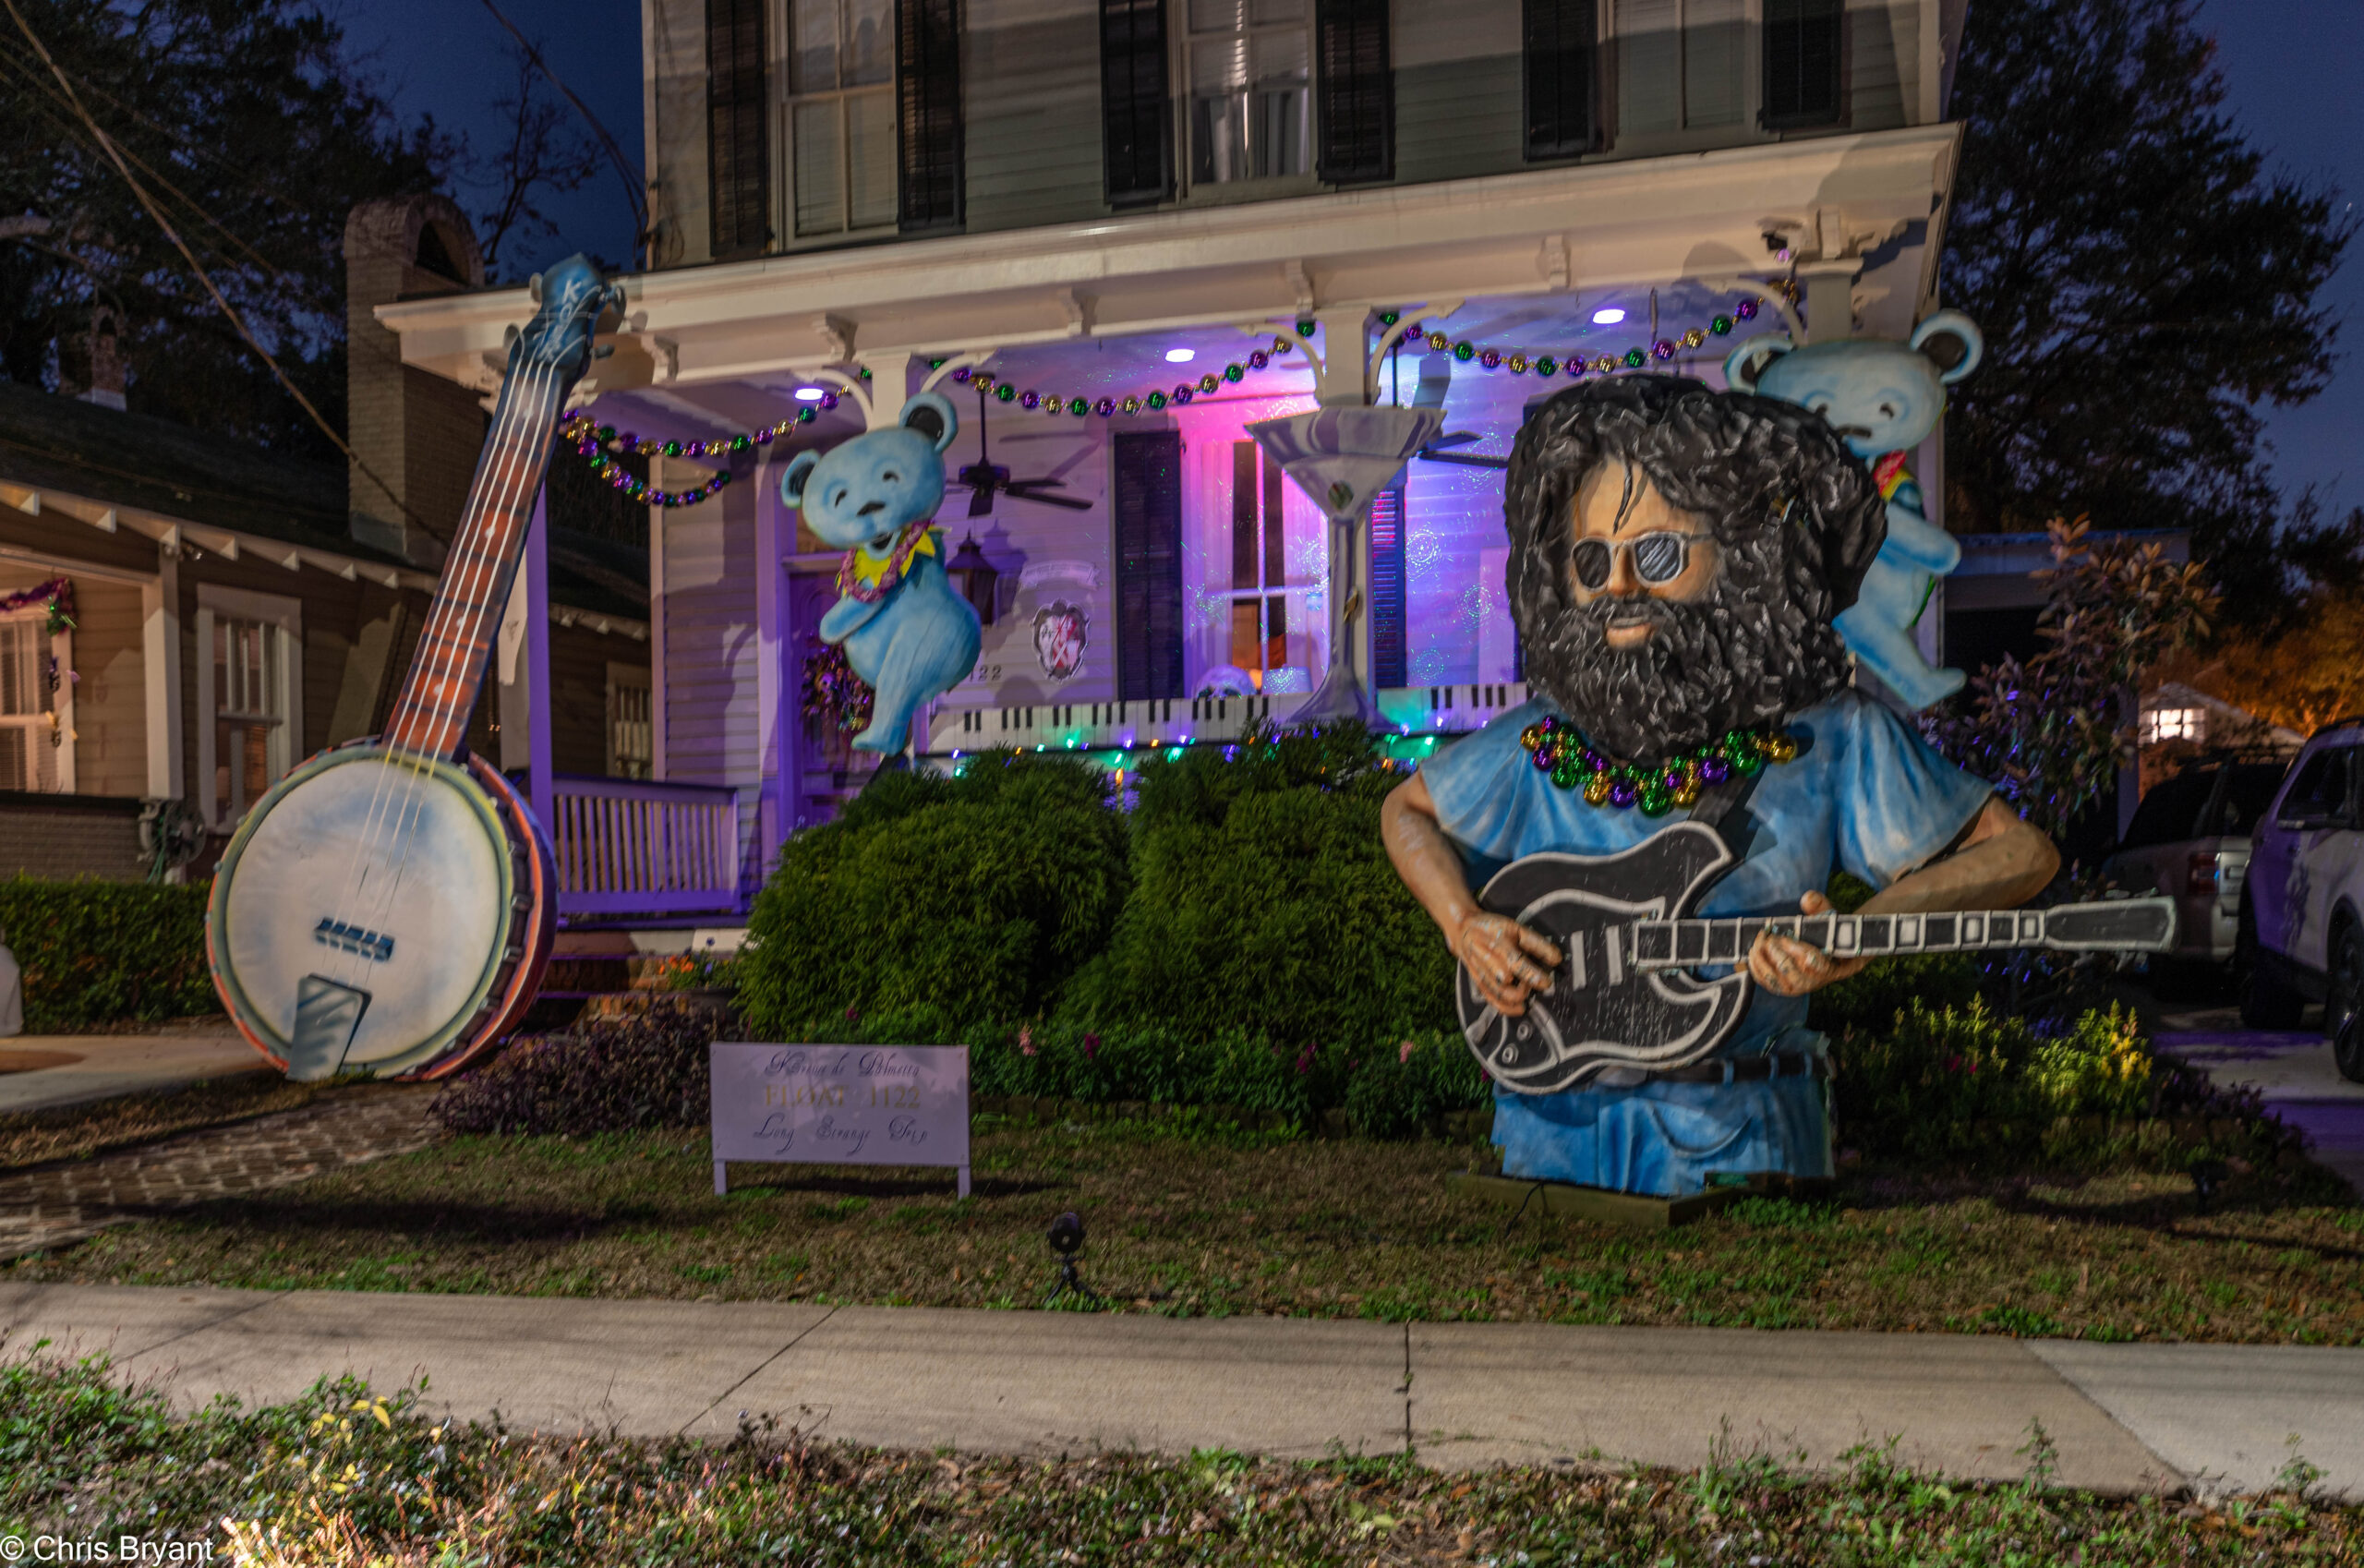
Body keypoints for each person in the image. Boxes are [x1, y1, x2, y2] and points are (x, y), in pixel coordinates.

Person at [1381, 375, 2057, 1196]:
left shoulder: (1829, 738)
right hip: (1548, 1153)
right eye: (1591, 561)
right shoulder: (1538, 743)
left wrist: (1863, 935)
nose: (1617, 588)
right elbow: (1407, 810)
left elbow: (2022, 853)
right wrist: (1464, 925)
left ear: (1746, 556)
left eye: (1658, 555)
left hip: (1738, 1152)